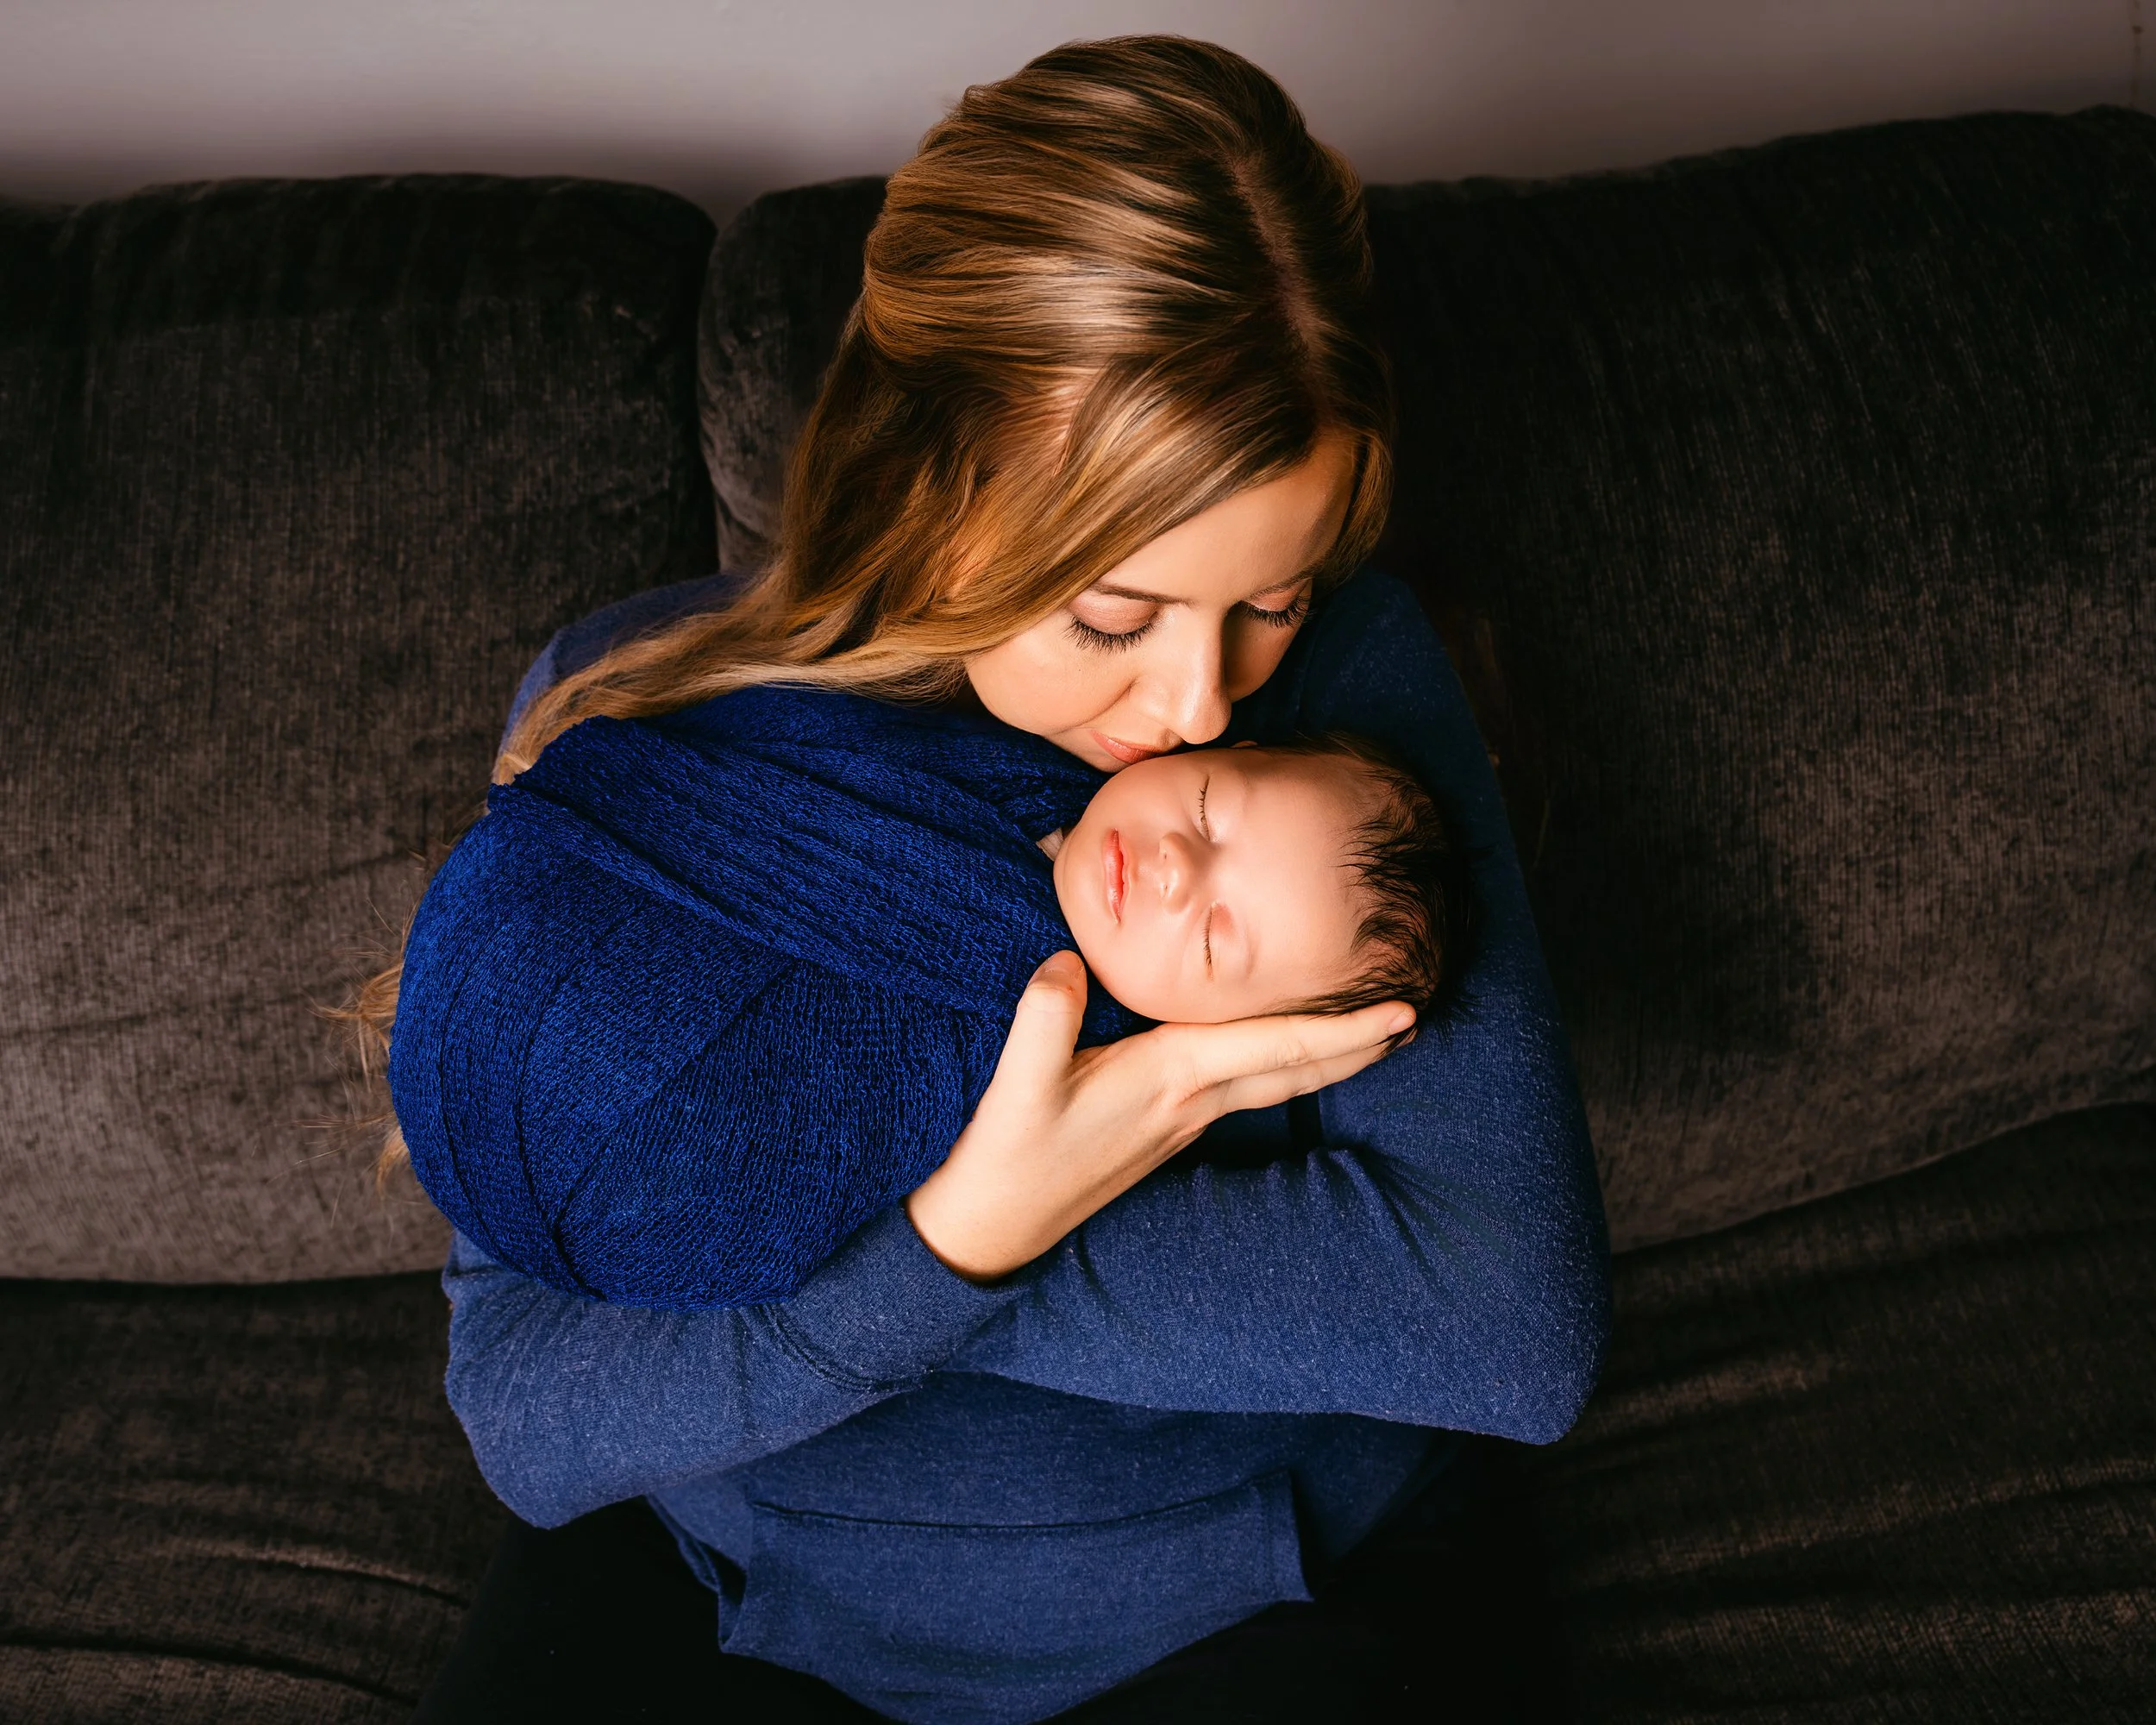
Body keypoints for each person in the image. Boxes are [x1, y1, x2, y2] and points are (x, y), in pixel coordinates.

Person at [376, 34, 1609, 1725]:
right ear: (922, 480)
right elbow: (526, 1413)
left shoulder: (1346, 713)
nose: (1198, 706)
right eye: (1112, 614)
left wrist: (899, 1263)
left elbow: (1505, 1334)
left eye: (1272, 595)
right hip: (746, 1601)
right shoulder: (629, 724)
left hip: (1254, 1586)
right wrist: (965, 1233)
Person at [387, 688, 1471, 1310]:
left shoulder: (1079, 1085)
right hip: (520, 923)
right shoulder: (1007, 753)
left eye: (1215, 938)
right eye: (1211, 804)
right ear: (1222, 741)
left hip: (614, 1172)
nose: (1180, 864)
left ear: (1234, 1037)